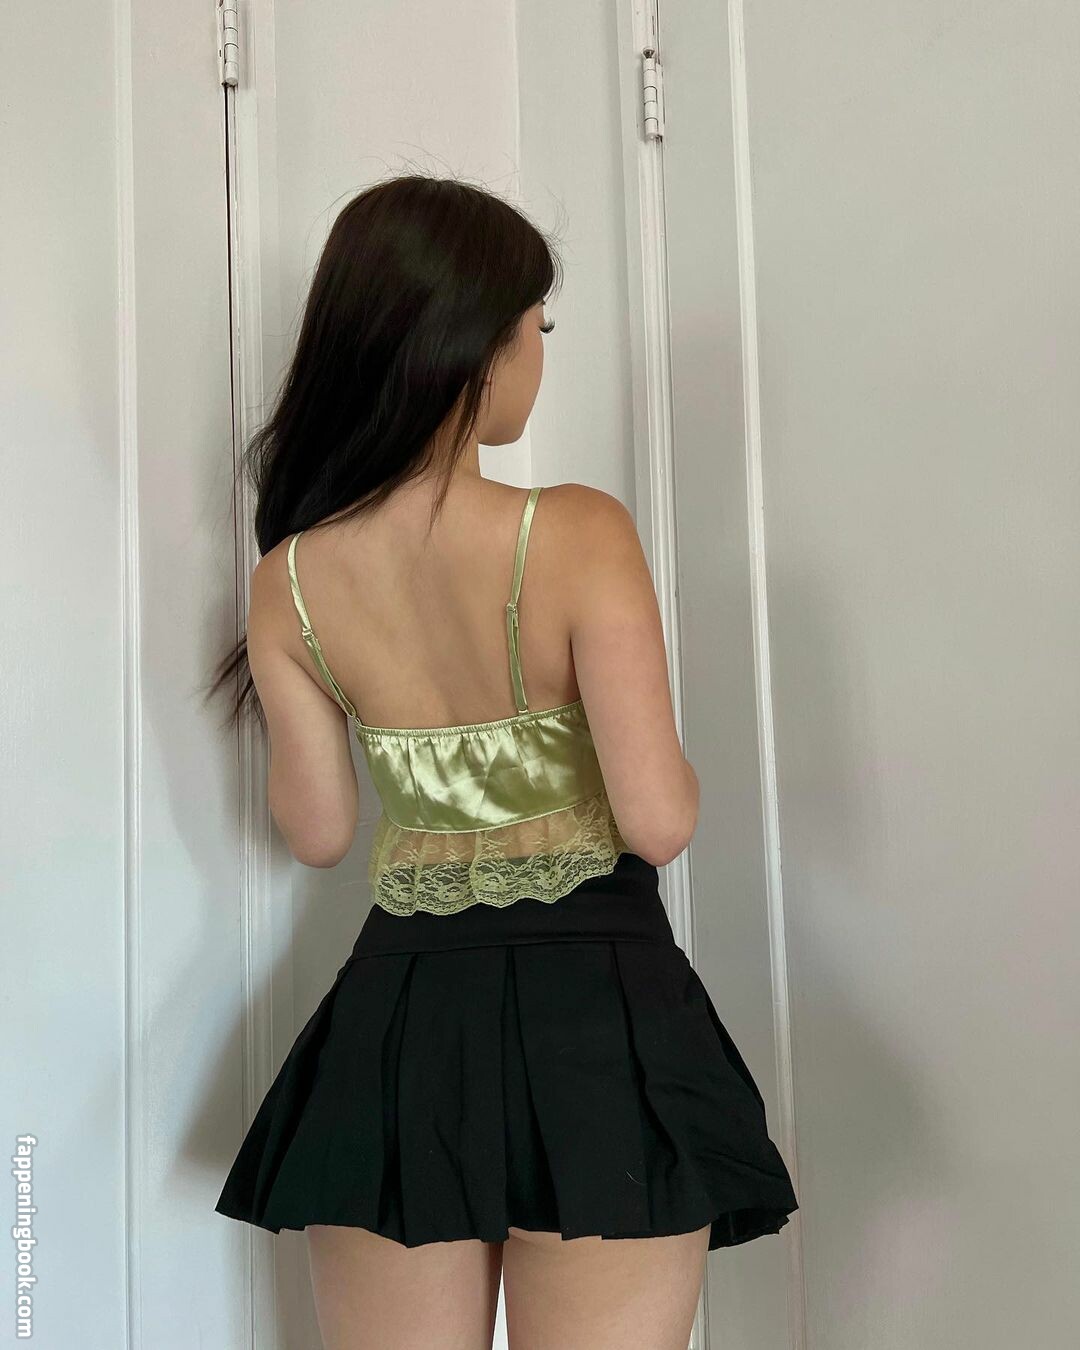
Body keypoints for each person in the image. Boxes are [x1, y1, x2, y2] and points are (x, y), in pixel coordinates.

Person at [207, 173, 798, 1350]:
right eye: (538, 325)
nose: (539, 353)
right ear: (475, 344)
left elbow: (319, 833)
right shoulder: (575, 531)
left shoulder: (289, 582)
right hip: (599, 1017)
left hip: (400, 1023)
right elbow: (660, 820)